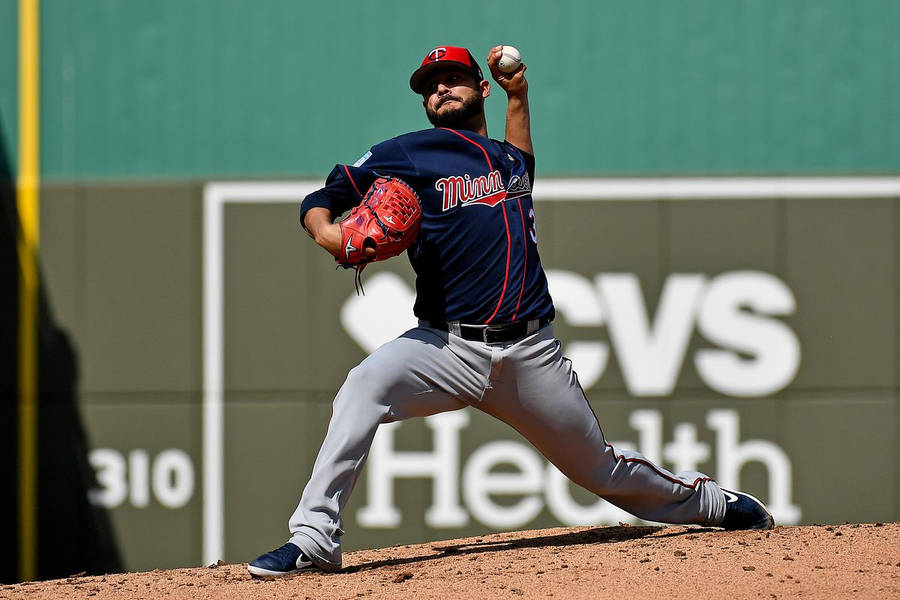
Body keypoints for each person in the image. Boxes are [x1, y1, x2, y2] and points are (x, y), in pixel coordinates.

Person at [247, 44, 774, 577]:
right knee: (363, 386)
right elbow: (322, 194)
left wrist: (518, 93)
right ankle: (314, 537)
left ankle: (710, 503)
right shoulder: (409, 152)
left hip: (529, 352)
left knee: (601, 470)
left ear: (480, 88)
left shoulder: (508, 160)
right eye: (430, 84)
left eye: (453, 78)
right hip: (444, 346)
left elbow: (522, 149)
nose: (440, 89)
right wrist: (328, 233)